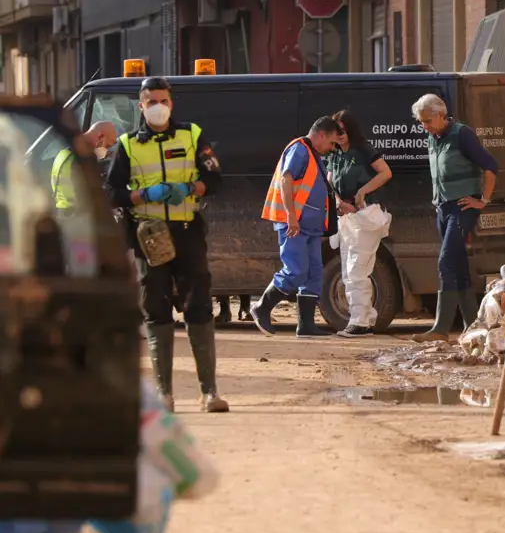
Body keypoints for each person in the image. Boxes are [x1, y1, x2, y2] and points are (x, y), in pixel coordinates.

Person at [105, 76, 229, 414]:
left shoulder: (192, 136)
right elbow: (112, 192)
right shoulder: (128, 144)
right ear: (141, 105)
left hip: (187, 231)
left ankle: (209, 393)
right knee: (156, 310)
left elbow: (215, 178)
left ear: (171, 103)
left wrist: (190, 190)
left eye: (163, 100)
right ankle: (165, 395)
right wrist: (143, 195)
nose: (158, 107)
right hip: (150, 237)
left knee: (199, 306)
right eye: (151, 101)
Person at [409, 94, 498, 344]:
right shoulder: (433, 137)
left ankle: (440, 327)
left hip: (462, 208)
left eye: (426, 120)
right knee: (458, 266)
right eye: (420, 122)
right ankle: (472, 325)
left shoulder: (462, 135)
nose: (423, 126)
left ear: (440, 114)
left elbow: (491, 166)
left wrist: (483, 200)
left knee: (446, 262)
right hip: (443, 208)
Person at [250, 117, 340, 339]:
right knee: (296, 270)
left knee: (313, 274)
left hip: (310, 226)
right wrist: (291, 215)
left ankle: (306, 325)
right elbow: (285, 179)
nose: (332, 148)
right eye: (331, 142)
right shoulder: (299, 150)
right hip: (295, 225)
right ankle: (262, 307)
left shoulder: (313, 156)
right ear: (321, 135)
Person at [328, 109, 393, 338]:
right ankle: (364, 318)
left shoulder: (363, 150)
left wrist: (363, 192)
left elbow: (385, 173)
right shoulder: (334, 154)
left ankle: (360, 322)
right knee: (348, 270)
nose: (340, 135)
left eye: (344, 131)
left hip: (367, 214)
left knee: (357, 269)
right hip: (346, 217)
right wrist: (339, 203)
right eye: (337, 132)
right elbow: (330, 183)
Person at [51, 121, 118, 212]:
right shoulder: (79, 160)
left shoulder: (65, 153)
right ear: (100, 137)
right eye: (108, 146)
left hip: (66, 212)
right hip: (77, 215)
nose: (107, 151)